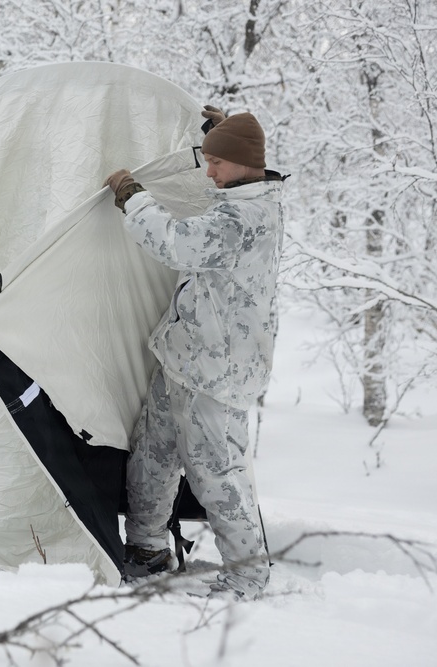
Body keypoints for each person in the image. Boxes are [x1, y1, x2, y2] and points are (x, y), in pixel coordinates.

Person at [104, 106, 285, 600]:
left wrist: (132, 198)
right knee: (154, 455)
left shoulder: (243, 216)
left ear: (243, 164)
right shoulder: (245, 192)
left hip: (216, 373)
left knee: (218, 474)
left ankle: (247, 577)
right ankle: (146, 549)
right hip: (187, 355)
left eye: (216, 163)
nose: (208, 172)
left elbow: (177, 244)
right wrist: (220, 135)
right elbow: (232, 165)